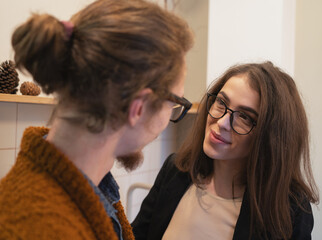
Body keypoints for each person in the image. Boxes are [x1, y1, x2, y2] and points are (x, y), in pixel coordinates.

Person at [0, 0, 193, 239]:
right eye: (175, 102)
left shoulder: (89, 191)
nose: (171, 114)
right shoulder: (43, 228)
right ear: (139, 107)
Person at [132, 62, 320, 240]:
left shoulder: (290, 208)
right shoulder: (175, 171)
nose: (222, 123)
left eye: (244, 117)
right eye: (221, 102)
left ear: (270, 137)